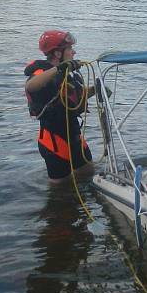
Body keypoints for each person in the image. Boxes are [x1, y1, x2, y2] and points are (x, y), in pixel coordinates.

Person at [25, 30, 95, 183]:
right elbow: (31, 86)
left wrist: (95, 90)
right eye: (70, 49)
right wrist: (59, 68)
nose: (74, 52)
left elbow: (72, 99)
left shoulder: (68, 75)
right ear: (57, 53)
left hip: (74, 135)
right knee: (61, 188)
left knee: (89, 173)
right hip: (54, 140)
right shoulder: (42, 72)